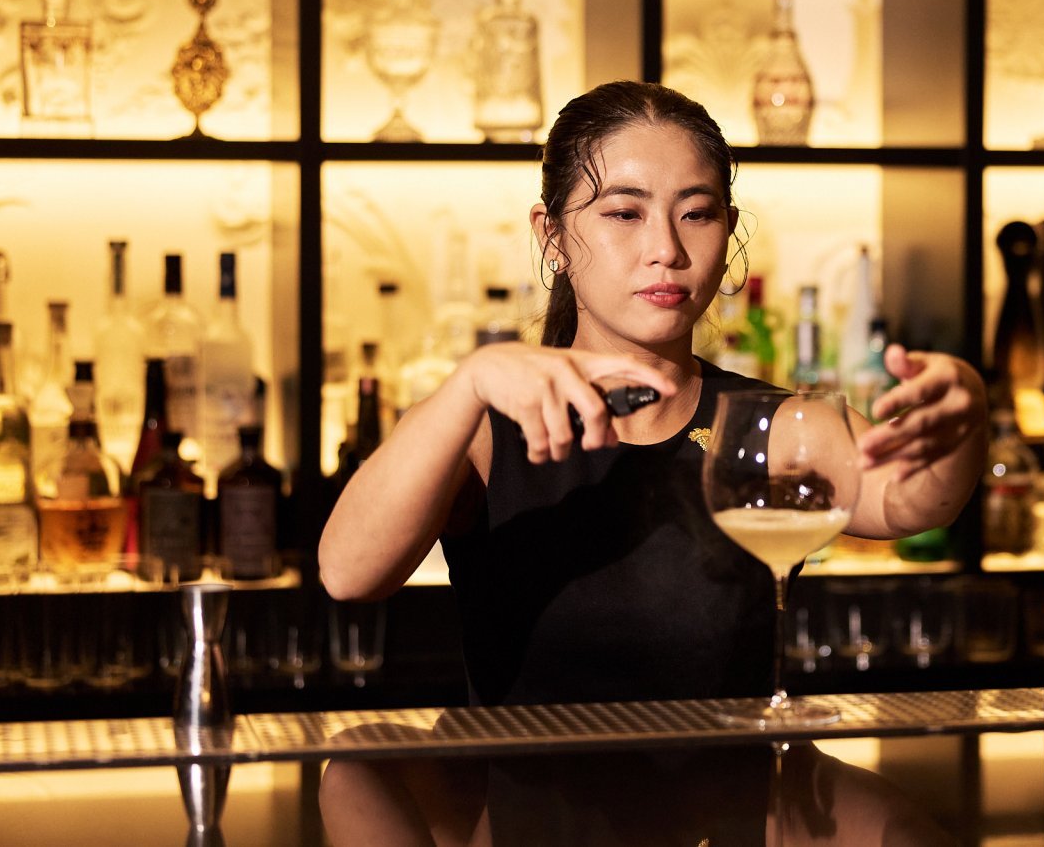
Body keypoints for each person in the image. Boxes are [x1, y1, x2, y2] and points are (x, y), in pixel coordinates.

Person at [319, 80, 987, 706]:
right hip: (526, 789)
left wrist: (963, 415)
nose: (665, 248)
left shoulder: (773, 424)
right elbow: (350, 574)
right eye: (624, 213)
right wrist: (469, 381)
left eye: (696, 213)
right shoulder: (484, 427)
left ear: (728, 232)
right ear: (552, 236)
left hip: (734, 790)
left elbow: (911, 500)